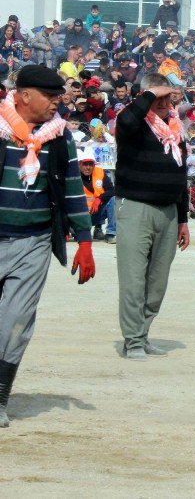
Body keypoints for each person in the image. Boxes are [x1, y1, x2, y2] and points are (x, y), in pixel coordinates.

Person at [0, 65, 96, 427]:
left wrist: (84, 242)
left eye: (60, 96)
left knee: (16, 322)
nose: (58, 102)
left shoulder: (60, 139)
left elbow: (73, 190)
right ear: (25, 96)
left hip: (34, 241)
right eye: (51, 96)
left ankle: (0, 398)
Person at [114, 74, 190, 359]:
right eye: (157, 97)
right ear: (145, 96)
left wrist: (182, 219)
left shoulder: (174, 130)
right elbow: (126, 121)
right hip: (136, 208)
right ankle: (132, 340)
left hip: (168, 212)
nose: (162, 102)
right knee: (134, 280)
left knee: (157, 284)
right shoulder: (134, 123)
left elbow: (180, 177)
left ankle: (142, 334)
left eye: (167, 97)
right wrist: (148, 95)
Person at [79, 148, 116, 242]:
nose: (88, 167)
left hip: (96, 212)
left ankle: (110, 233)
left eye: (90, 164)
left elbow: (112, 190)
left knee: (113, 200)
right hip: (80, 215)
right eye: (85, 164)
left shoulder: (100, 172)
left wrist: (99, 199)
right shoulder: (74, 176)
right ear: (79, 164)